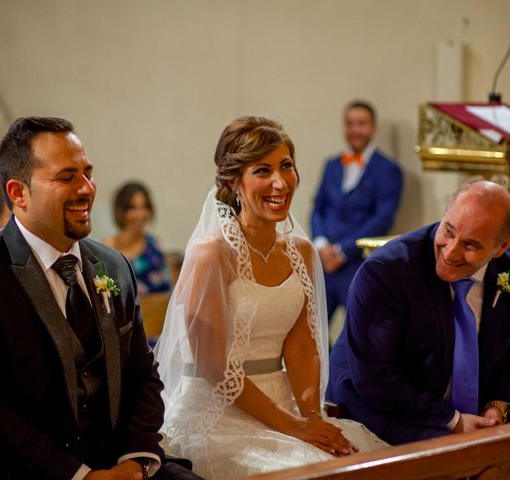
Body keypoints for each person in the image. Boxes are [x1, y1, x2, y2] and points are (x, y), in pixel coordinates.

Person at [0, 117, 201, 480]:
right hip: (37, 471)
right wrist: (83, 476)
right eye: (66, 177)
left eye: (88, 173)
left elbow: (142, 373)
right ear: (18, 192)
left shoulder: (113, 265)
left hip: (126, 462)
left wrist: (135, 461)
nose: (87, 188)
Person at [155, 116, 387, 479]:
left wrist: (311, 418)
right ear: (234, 181)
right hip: (219, 414)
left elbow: (301, 345)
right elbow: (213, 366)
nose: (280, 182)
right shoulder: (211, 254)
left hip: (287, 404)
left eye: (286, 167)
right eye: (262, 170)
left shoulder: (302, 251)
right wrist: (292, 428)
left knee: (371, 463)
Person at [327, 180, 510, 445]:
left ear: (500, 248)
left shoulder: (506, 273)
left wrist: (497, 407)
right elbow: (375, 378)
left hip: (469, 413)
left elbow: (506, 355)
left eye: (470, 245)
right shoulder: (386, 272)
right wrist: (454, 421)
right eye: (448, 230)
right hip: (381, 409)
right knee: (464, 460)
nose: (451, 251)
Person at [310, 100, 403, 321]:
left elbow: (382, 219)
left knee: (358, 332)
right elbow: (318, 208)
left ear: (373, 127)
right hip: (323, 264)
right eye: (350, 124)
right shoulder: (331, 165)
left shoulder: (388, 170)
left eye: (361, 124)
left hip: (358, 264)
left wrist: (342, 251)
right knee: (310, 331)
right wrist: (321, 245)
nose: (355, 130)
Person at [104, 182, 171, 295]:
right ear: (121, 211)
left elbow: (167, 290)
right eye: (133, 208)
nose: (140, 214)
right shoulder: (107, 249)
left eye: (144, 207)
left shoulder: (155, 246)